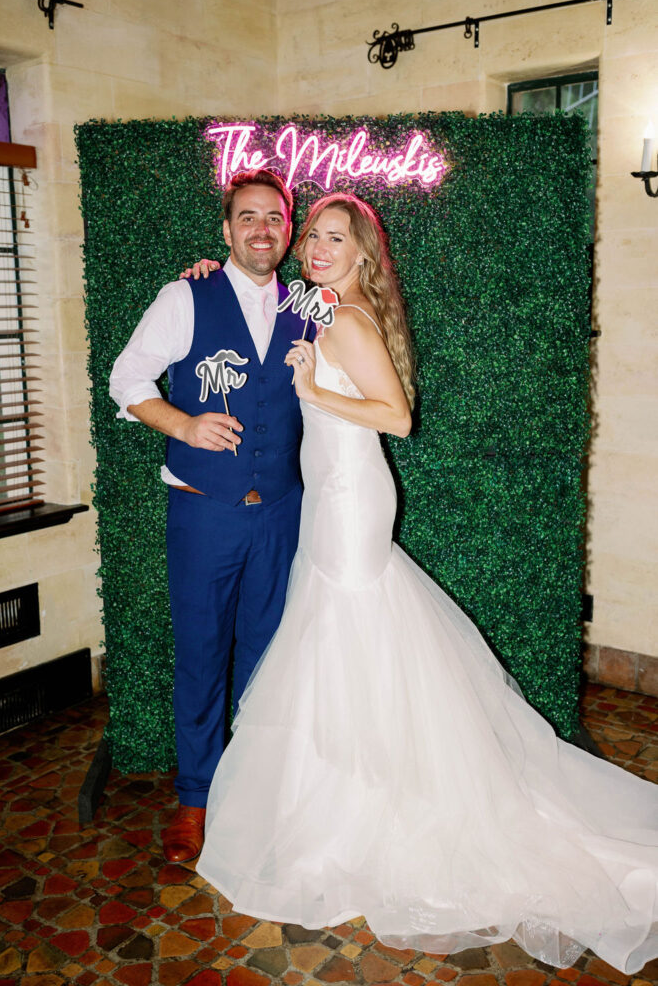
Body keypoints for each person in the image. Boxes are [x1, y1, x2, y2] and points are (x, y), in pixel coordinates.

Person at [192, 192, 658, 975]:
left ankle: (366, 806)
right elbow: (260, 286)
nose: (313, 247)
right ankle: (350, 790)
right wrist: (211, 270)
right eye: (312, 235)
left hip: (348, 503)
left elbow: (397, 417)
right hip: (330, 500)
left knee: (346, 635)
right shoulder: (321, 299)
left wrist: (314, 393)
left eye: (333, 239)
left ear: (363, 253)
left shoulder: (343, 318)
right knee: (339, 640)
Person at [109, 169, 308, 864]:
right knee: (200, 660)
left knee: (265, 657)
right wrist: (182, 425)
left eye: (275, 218)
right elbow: (126, 379)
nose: (262, 229)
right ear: (226, 231)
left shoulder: (309, 305)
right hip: (203, 514)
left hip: (282, 513)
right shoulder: (185, 295)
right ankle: (195, 800)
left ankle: (250, 793)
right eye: (247, 217)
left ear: (289, 230)